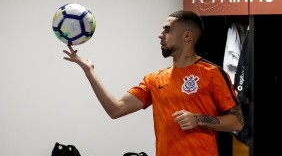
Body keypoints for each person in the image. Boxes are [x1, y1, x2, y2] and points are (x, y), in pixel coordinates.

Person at [63, 10, 244, 156]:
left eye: (168, 30)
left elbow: (237, 122)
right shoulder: (154, 79)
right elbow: (115, 109)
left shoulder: (213, 74)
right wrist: (89, 72)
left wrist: (198, 119)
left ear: (187, 36)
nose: (160, 35)